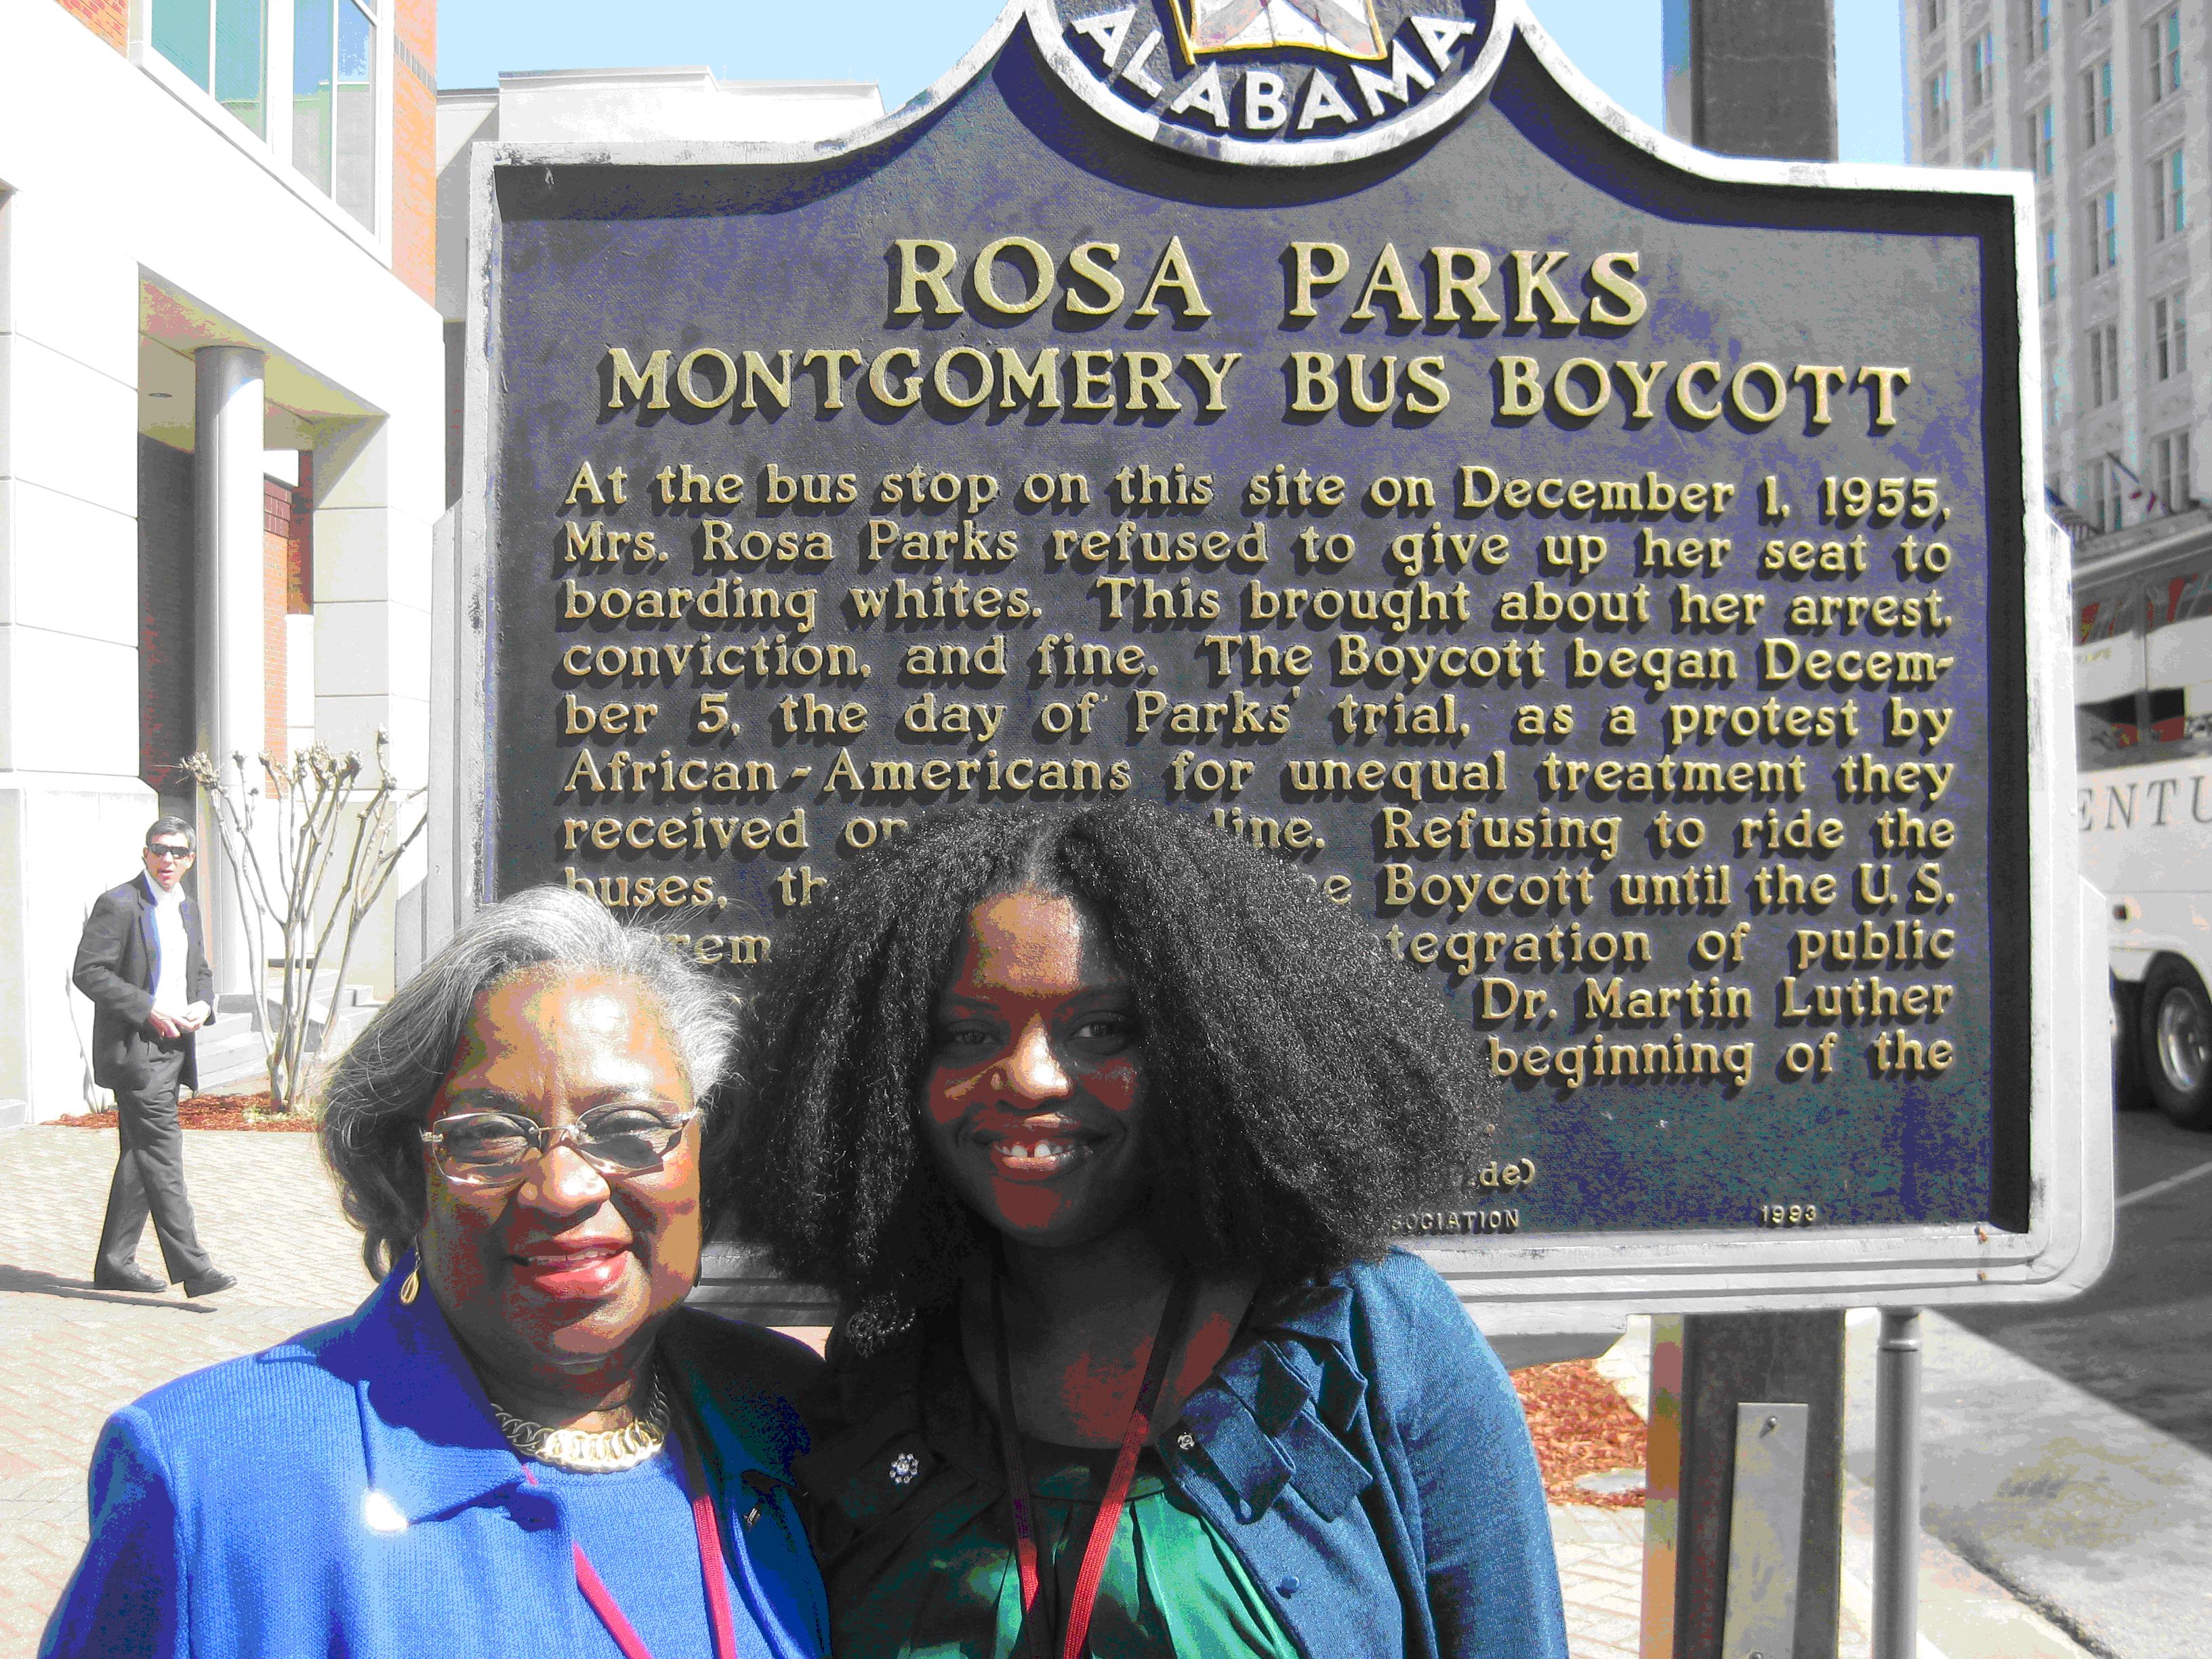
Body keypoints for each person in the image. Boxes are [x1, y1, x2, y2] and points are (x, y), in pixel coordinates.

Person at [724, 803, 1568, 1659]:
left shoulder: (1375, 1335)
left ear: (1210, 1052)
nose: (1027, 1076)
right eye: (967, 1034)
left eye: (1101, 1029)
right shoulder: (890, 1363)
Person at [43, 887, 831, 1659]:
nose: (563, 1188)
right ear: (401, 1174)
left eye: (629, 1129)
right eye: (488, 1135)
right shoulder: (211, 1479)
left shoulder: (786, 1413)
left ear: (706, 1157)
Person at [73, 816, 232, 1297]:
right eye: (159, 850)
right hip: (137, 1050)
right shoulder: (119, 904)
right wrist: (148, 1011)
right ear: (145, 853)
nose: (168, 860)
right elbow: (89, 972)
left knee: (140, 1155)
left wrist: (205, 1002)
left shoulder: (187, 907)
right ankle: (195, 1268)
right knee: (162, 1152)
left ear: (190, 859)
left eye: (178, 852)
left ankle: (115, 1264)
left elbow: (199, 968)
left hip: (175, 1047)